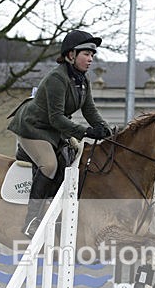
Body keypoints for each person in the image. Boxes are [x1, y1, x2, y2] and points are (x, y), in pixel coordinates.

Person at [8, 29, 112, 237]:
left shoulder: (83, 79)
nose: (90, 59)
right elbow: (56, 117)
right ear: (70, 55)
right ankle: (31, 221)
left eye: (92, 55)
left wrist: (106, 129)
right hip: (34, 127)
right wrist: (87, 131)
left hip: (55, 129)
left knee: (77, 160)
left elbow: (89, 110)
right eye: (86, 54)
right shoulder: (57, 78)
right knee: (50, 165)